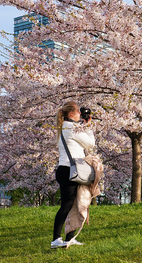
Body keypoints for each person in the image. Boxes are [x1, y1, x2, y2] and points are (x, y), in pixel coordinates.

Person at [51, 101, 96, 249]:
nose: (80, 114)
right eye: (78, 112)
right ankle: (56, 239)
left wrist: (82, 125)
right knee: (67, 205)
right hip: (69, 171)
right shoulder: (72, 128)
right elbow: (90, 144)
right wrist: (87, 127)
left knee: (74, 205)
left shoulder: (65, 127)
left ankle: (69, 238)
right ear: (71, 113)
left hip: (65, 170)